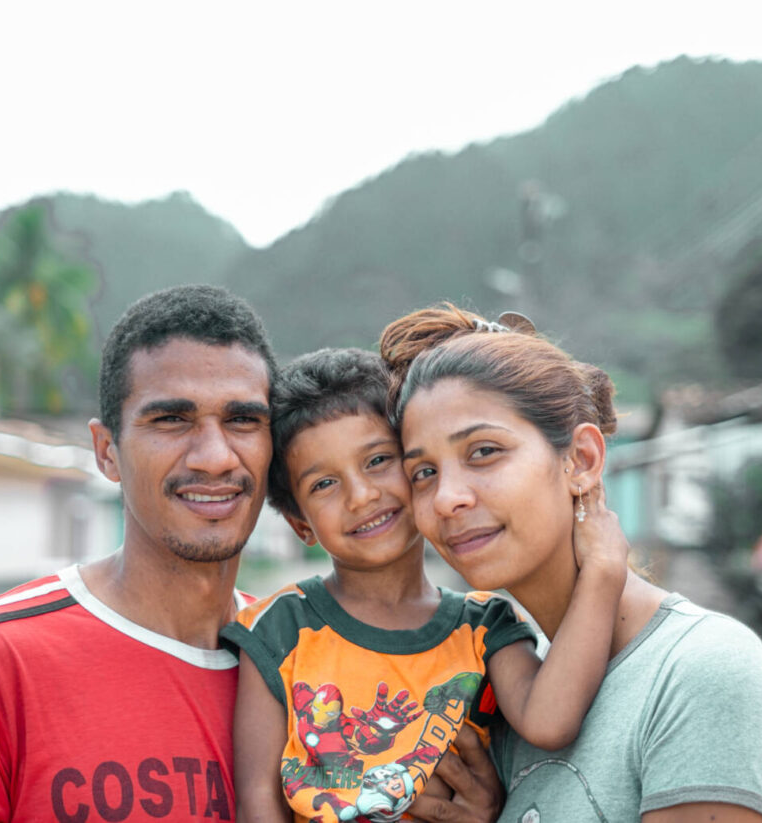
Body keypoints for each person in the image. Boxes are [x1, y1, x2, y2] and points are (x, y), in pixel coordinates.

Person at [0, 285, 501, 823]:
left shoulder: (308, 655)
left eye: (243, 420)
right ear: (107, 451)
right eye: (171, 420)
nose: (215, 457)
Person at [381, 303, 762, 823]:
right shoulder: (507, 693)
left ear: (581, 460)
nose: (446, 499)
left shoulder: (698, 668)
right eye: (424, 473)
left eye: (483, 452)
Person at [221, 348, 627, 822]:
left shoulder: (483, 628)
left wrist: (602, 573)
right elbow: (258, 799)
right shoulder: (278, 628)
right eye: (324, 484)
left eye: (378, 460)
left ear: (420, 469)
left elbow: (550, 721)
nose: (362, 496)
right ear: (301, 525)